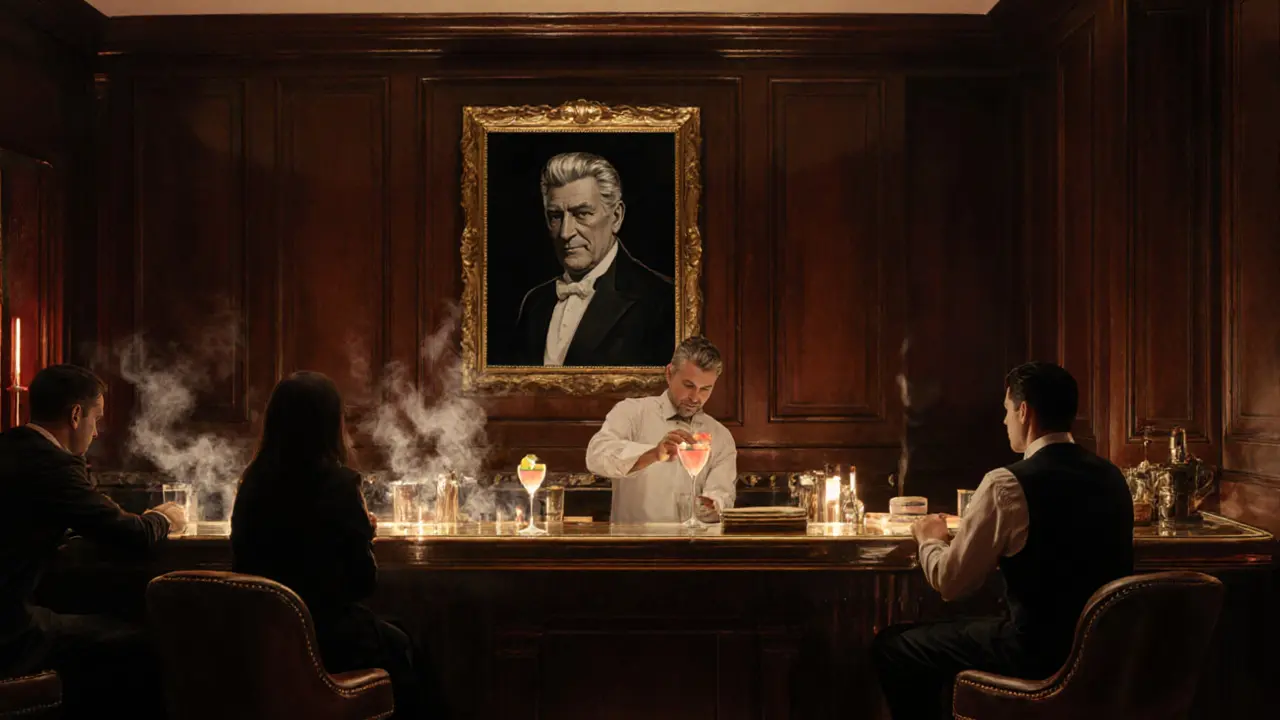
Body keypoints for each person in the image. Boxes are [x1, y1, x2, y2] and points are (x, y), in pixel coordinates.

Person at [872, 362, 1135, 719]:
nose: (1004, 421)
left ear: (1024, 411)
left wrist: (929, 539)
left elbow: (952, 583)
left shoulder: (1007, 484)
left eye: (1007, 410)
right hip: (1105, 656)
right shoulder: (1112, 477)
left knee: (894, 647)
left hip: (1035, 655)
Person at [231, 371, 443, 719]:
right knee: (406, 647)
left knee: (398, 636)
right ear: (330, 423)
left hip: (262, 637)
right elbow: (362, 582)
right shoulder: (338, 482)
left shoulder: (252, 482)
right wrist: (363, 534)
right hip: (323, 637)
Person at [0, 364, 186, 719]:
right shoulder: (52, 465)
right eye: (95, 419)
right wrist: (166, 517)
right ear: (75, 415)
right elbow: (134, 535)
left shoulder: (11, 446)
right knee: (140, 645)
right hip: (10, 630)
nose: (97, 432)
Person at [502, 151, 675, 367]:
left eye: (582, 214)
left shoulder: (663, 301)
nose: (565, 233)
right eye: (556, 216)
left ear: (616, 217)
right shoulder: (535, 304)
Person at [586, 336, 737, 523]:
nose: (695, 397)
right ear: (669, 374)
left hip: (694, 547)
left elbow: (722, 496)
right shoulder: (632, 412)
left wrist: (714, 505)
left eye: (705, 389)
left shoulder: (721, 436)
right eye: (688, 385)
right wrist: (653, 454)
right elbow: (595, 457)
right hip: (634, 546)